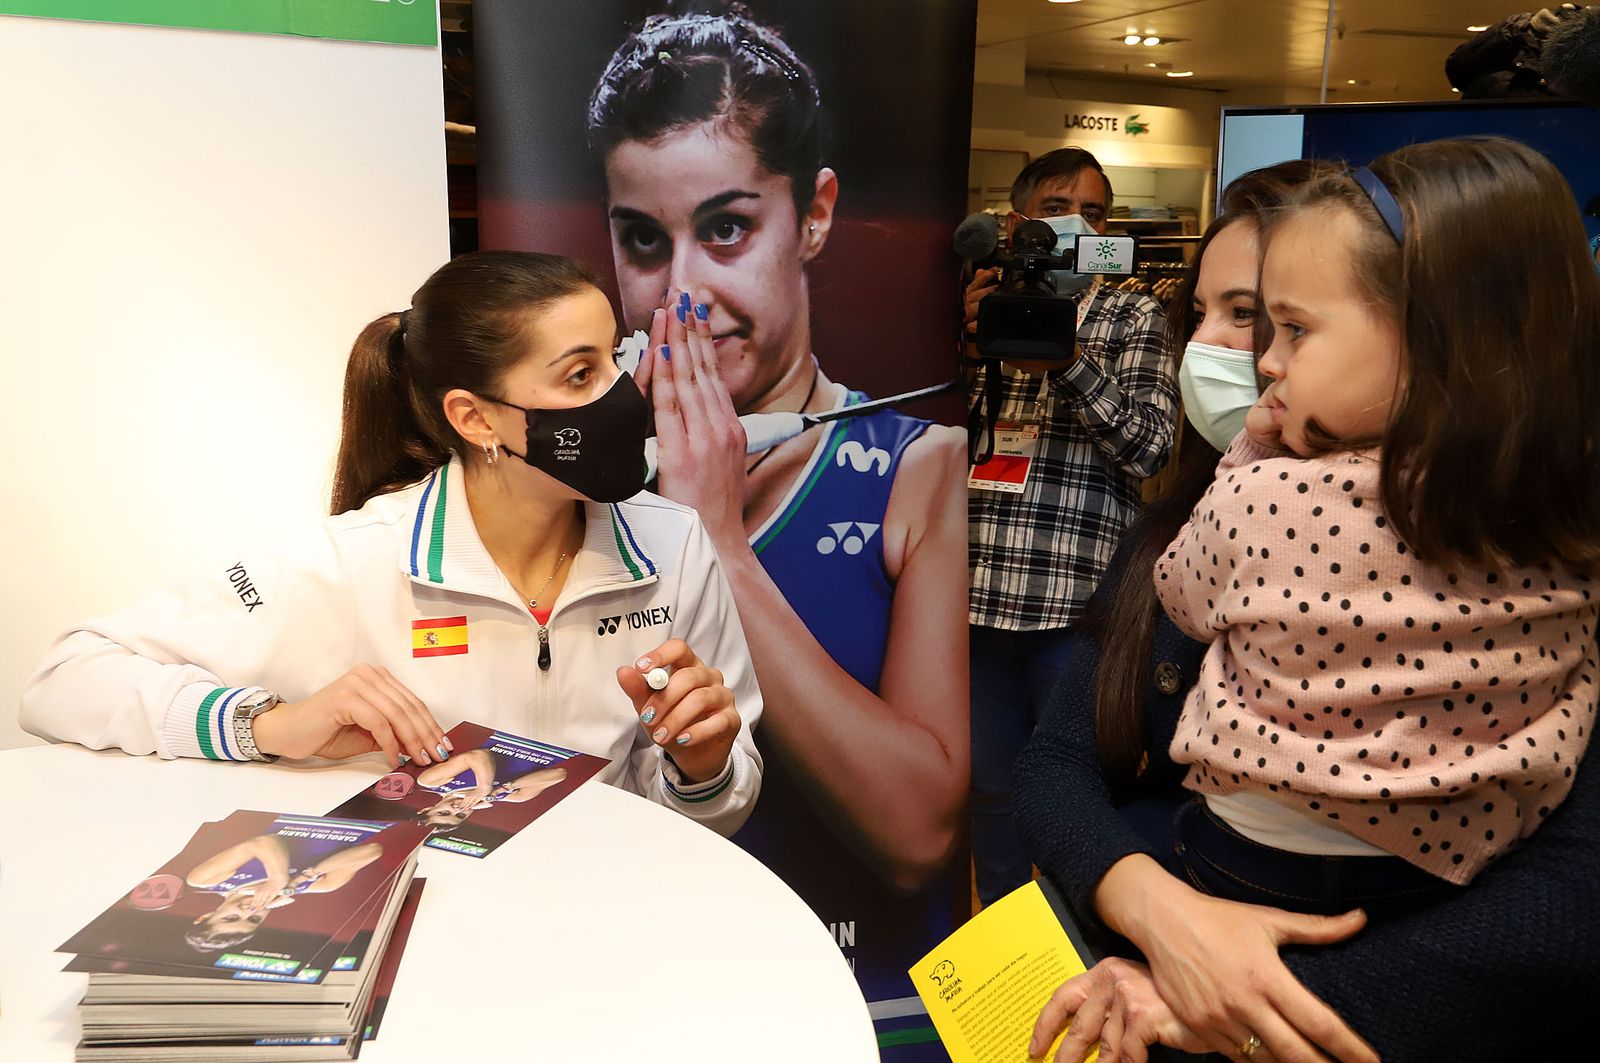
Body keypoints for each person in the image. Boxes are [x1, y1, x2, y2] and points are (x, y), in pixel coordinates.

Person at [1018, 143, 1600, 1063]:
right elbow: (1054, 764)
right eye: (1200, 313)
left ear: (1426, 330)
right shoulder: (1200, 510)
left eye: (1261, 319)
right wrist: (1166, 919)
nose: (1231, 353)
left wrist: (1226, 1005)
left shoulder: (1542, 529)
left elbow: (1567, 905)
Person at [20, 250, 763, 838]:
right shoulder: (356, 561)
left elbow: (706, 811)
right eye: (580, 374)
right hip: (427, 956)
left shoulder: (676, 545)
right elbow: (65, 677)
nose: (623, 394)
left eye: (614, 358)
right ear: (475, 419)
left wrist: (701, 768)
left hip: (602, 933)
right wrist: (273, 724)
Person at [584, 0, 970, 1015]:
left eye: (725, 228)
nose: (684, 291)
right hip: (652, 1000)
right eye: (642, 239)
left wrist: (716, 538)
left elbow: (917, 835)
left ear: (817, 213)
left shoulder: (917, 465)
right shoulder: (582, 478)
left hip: (863, 1007)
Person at [964, 146, 1178, 904]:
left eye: (1093, 213)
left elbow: (1151, 446)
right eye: (1059, 207)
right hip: (978, 600)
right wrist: (966, 341)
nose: (1076, 224)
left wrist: (1068, 356)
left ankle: (1076, 957)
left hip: (1077, 609)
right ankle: (1000, 959)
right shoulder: (976, 304)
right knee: (985, 798)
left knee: (1072, 801)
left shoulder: (1133, 311)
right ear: (1018, 221)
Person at [185, 823, 384, 952]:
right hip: (365, 817)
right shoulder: (318, 886)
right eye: (254, 919)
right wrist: (307, 875)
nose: (249, 911)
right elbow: (372, 851)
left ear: (205, 916)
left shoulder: (207, 880)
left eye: (231, 917)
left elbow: (264, 842)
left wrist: (277, 878)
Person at [413, 747, 569, 834]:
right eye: (460, 815)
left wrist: (484, 787)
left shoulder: (432, 782)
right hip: (554, 743)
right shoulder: (513, 797)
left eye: (444, 813)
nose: (457, 809)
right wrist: (505, 788)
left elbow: (479, 755)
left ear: (428, 809)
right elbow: (559, 774)